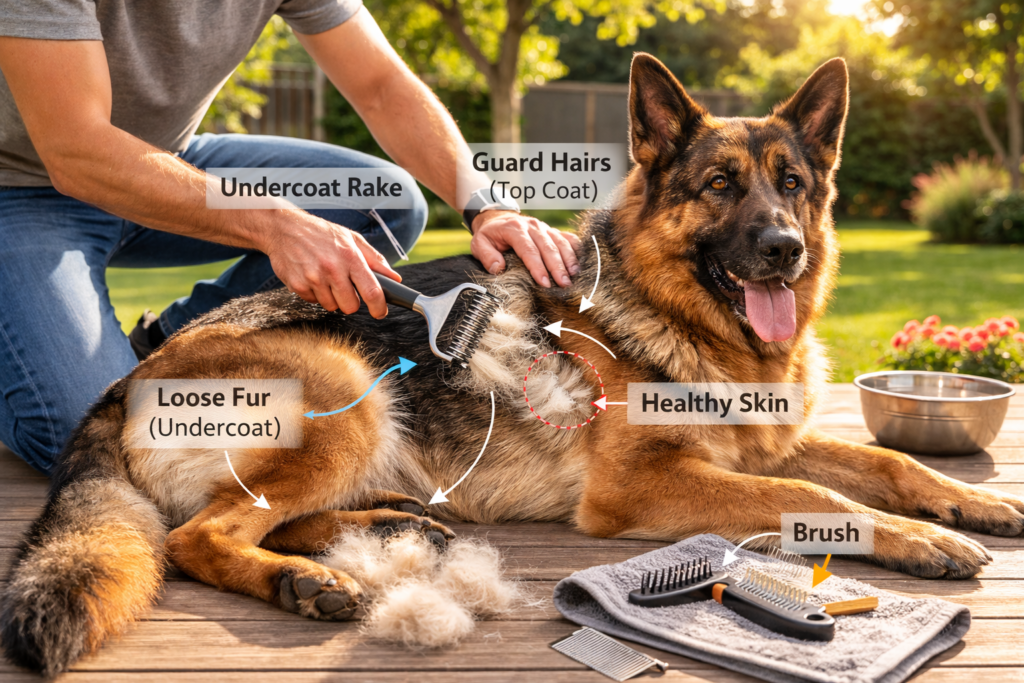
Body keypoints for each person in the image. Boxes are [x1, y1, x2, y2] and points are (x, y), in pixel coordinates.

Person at [0, 0, 581, 475]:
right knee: (100, 431)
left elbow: (381, 85)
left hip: (166, 161)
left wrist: (487, 207)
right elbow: (75, 150)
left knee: (379, 200)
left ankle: (165, 348)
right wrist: (278, 223)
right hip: (19, 184)